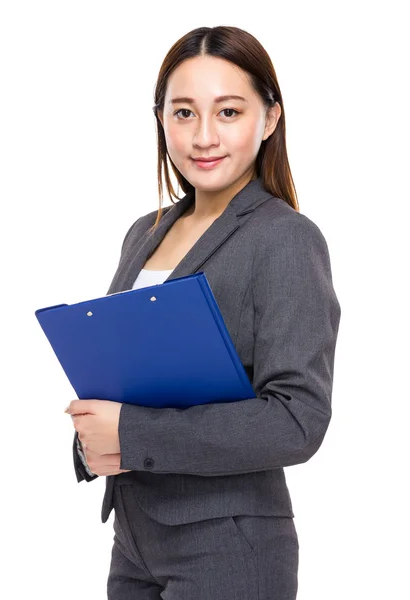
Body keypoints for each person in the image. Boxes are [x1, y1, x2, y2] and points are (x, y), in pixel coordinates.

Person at [66, 25, 341, 600]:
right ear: (161, 119)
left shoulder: (284, 238)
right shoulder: (145, 232)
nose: (204, 136)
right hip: (135, 536)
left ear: (269, 120)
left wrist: (130, 430)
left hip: (227, 543)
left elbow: (298, 420)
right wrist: (92, 440)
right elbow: (130, 379)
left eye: (229, 112)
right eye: (184, 113)